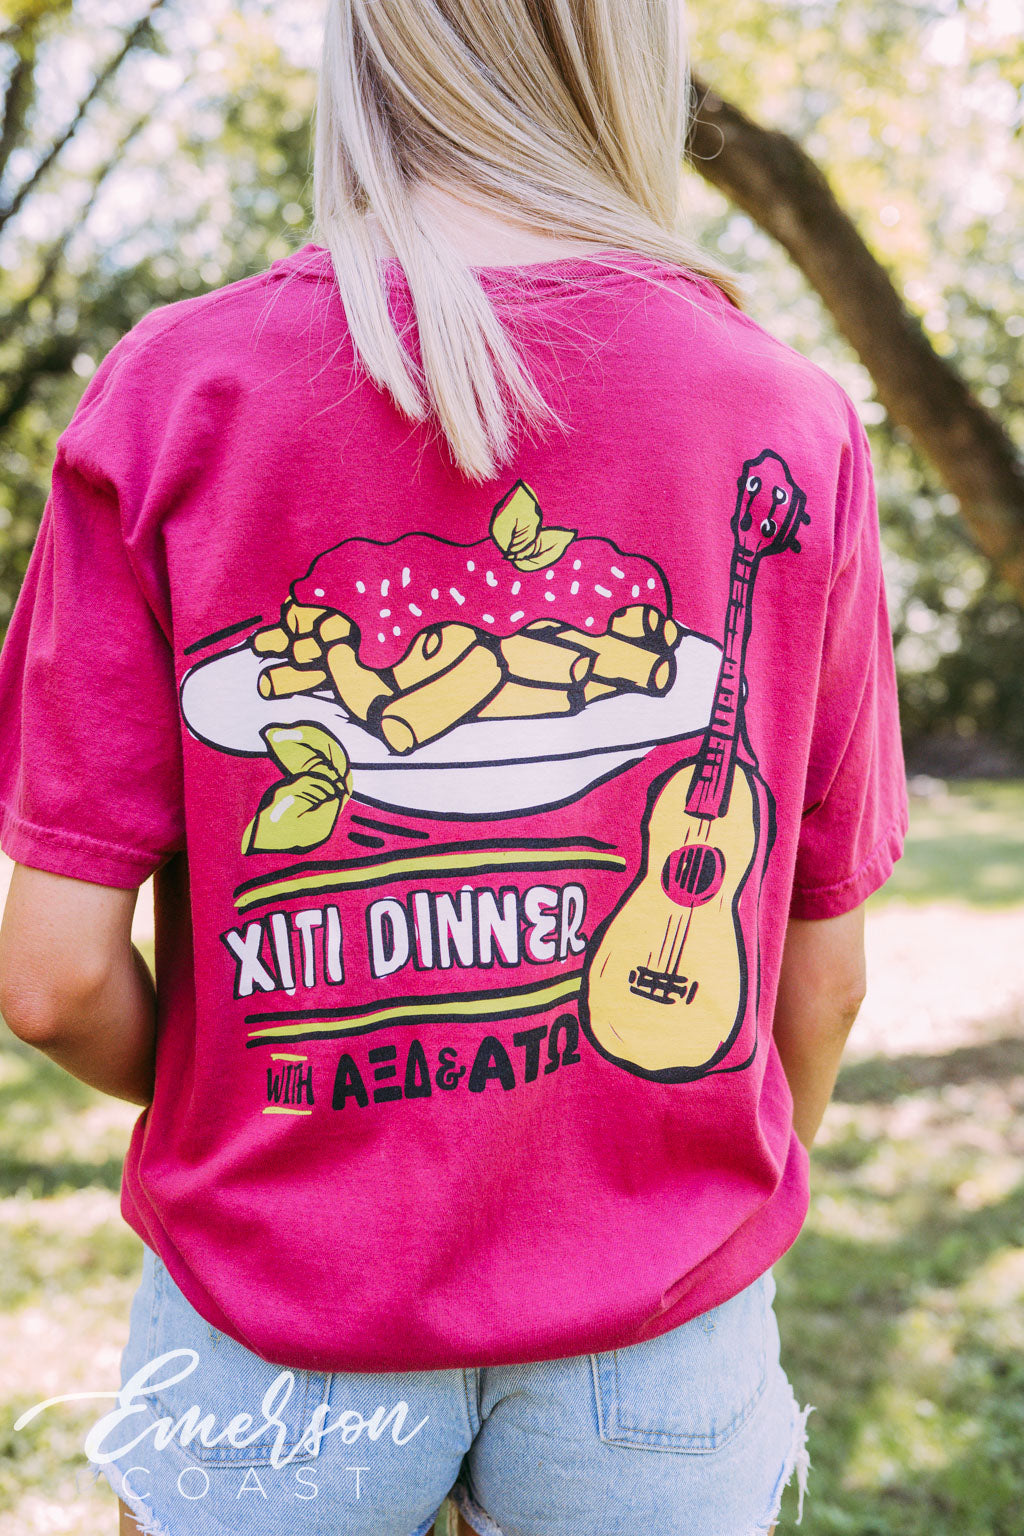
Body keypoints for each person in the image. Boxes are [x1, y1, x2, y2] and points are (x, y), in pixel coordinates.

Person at [0, 2, 909, 1533]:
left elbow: (51, 977)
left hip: (276, 1312)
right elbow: (821, 984)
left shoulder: (176, 390)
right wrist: (685, 1201)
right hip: (657, 1327)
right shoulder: (785, 415)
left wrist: (265, 1086)